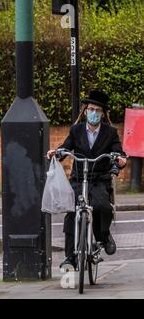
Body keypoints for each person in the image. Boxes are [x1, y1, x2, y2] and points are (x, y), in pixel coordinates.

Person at [47, 90, 127, 269]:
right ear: (85, 111)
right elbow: (66, 146)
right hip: (78, 178)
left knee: (102, 206)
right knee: (72, 212)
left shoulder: (110, 132)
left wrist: (120, 160)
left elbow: (118, 151)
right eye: (91, 109)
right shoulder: (76, 130)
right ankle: (70, 257)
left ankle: (103, 235)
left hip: (100, 179)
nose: (94, 113)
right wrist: (56, 153)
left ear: (103, 114)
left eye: (98, 110)